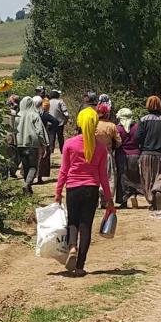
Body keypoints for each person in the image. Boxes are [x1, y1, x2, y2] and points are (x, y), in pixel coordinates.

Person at [54, 109, 115, 277]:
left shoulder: (70, 144)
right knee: (85, 226)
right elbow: (104, 175)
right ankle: (80, 266)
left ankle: (72, 246)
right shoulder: (101, 148)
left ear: (79, 123)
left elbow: (63, 171)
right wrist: (109, 199)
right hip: (91, 189)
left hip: (73, 188)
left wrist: (58, 192)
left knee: (72, 221)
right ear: (95, 124)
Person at [136, 96, 161, 214]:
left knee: (147, 178)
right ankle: (158, 191)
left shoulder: (143, 120)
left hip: (146, 154)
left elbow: (137, 137)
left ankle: (152, 200)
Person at [16, 95, 48, 194]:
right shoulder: (34, 115)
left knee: (25, 166)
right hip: (32, 144)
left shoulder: (18, 115)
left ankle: (28, 189)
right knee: (33, 166)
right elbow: (39, 131)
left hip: (20, 144)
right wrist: (44, 144)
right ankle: (27, 184)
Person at [95, 103, 122, 207]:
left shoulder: (93, 125)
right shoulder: (111, 126)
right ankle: (107, 200)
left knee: (96, 176)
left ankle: (96, 200)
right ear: (107, 114)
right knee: (109, 177)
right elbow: (119, 141)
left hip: (94, 154)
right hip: (107, 154)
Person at [115, 107, 142, 208]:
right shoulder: (137, 127)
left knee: (123, 178)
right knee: (134, 176)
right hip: (136, 154)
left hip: (122, 155)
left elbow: (116, 142)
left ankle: (123, 201)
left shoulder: (118, 128)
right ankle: (133, 194)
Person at [38, 98, 59, 182]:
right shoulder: (45, 114)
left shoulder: (32, 113)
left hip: (32, 137)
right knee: (43, 156)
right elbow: (55, 121)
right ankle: (39, 177)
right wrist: (50, 129)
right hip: (43, 136)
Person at [3, 95, 20, 179]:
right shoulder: (14, 113)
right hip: (12, 137)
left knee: (4, 156)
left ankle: (4, 174)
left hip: (3, 137)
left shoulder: (0, 113)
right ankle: (12, 172)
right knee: (13, 157)